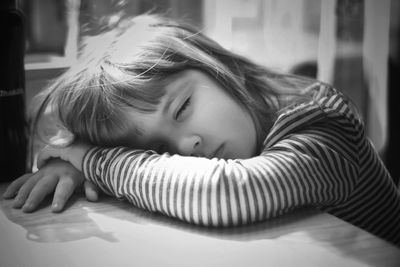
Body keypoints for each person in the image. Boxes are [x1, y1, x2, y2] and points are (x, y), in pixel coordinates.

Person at [3, 14, 400, 246]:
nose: (186, 145)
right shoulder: (239, 126)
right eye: (156, 149)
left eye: (182, 108)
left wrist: (93, 160)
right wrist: (76, 165)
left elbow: (226, 193)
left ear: (215, 66)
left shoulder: (321, 123)